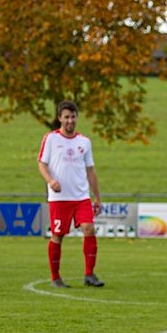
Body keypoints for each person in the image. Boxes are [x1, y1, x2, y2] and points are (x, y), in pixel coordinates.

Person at [37, 100, 105, 288]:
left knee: (89, 228)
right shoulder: (50, 138)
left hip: (81, 197)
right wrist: (51, 181)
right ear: (60, 118)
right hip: (59, 198)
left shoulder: (84, 142)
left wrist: (97, 197)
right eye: (66, 117)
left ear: (77, 117)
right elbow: (41, 164)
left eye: (73, 117)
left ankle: (89, 274)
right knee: (58, 236)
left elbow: (90, 170)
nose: (70, 121)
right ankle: (55, 277)